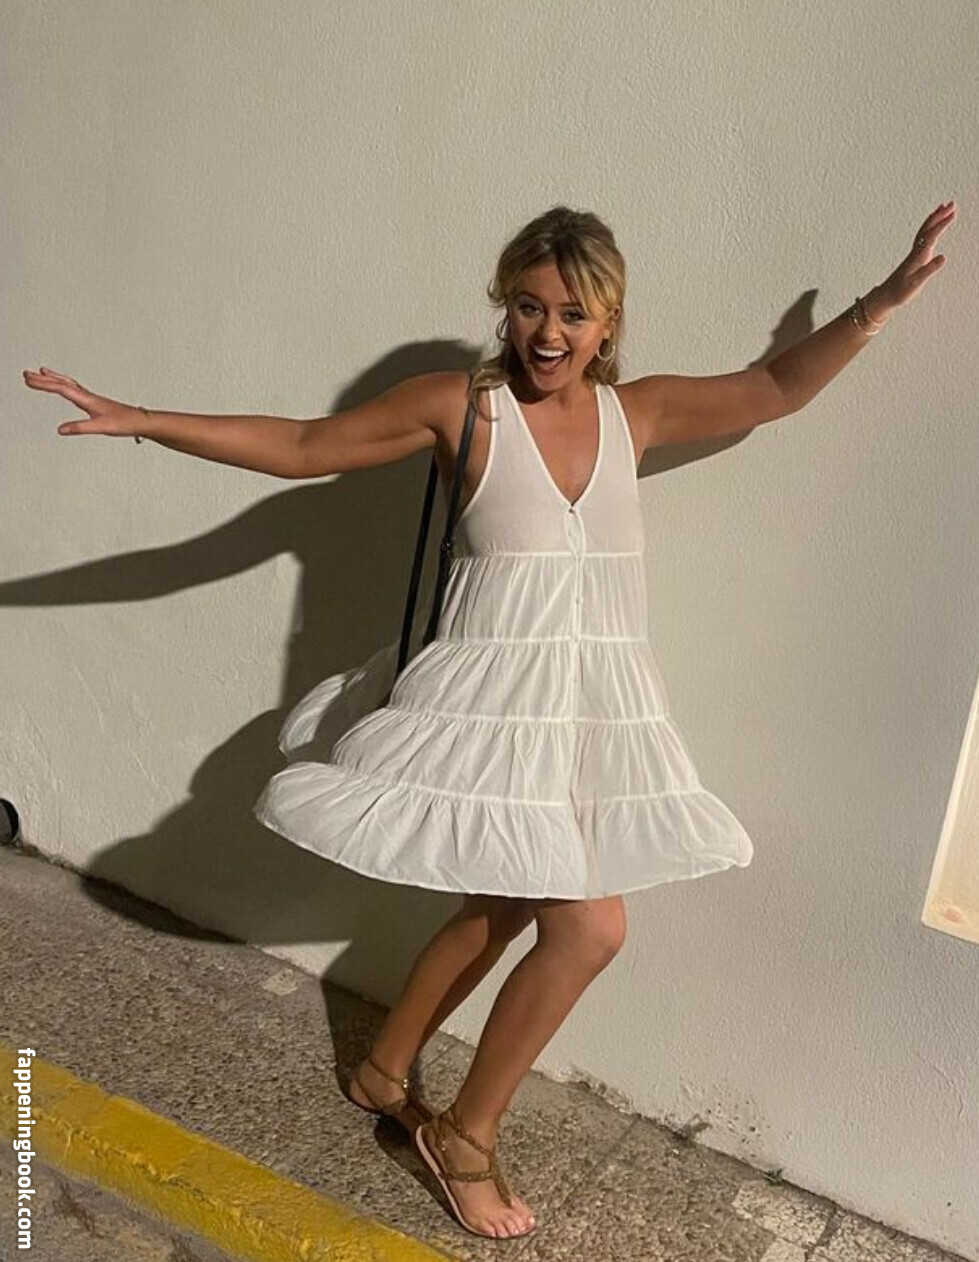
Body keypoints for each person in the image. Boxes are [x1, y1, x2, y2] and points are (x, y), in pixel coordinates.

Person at [23, 200, 955, 1241]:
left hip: (588, 711)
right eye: (527, 306)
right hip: (490, 705)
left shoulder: (635, 414)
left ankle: (383, 1071)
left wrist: (880, 300)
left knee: (508, 902)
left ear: (608, 322)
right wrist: (143, 416)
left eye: (573, 313)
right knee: (591, 926)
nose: (548, 333)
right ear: (502, 306)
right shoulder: (459, 408)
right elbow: (303, 444)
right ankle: (462, 1137)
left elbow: (773, 388)